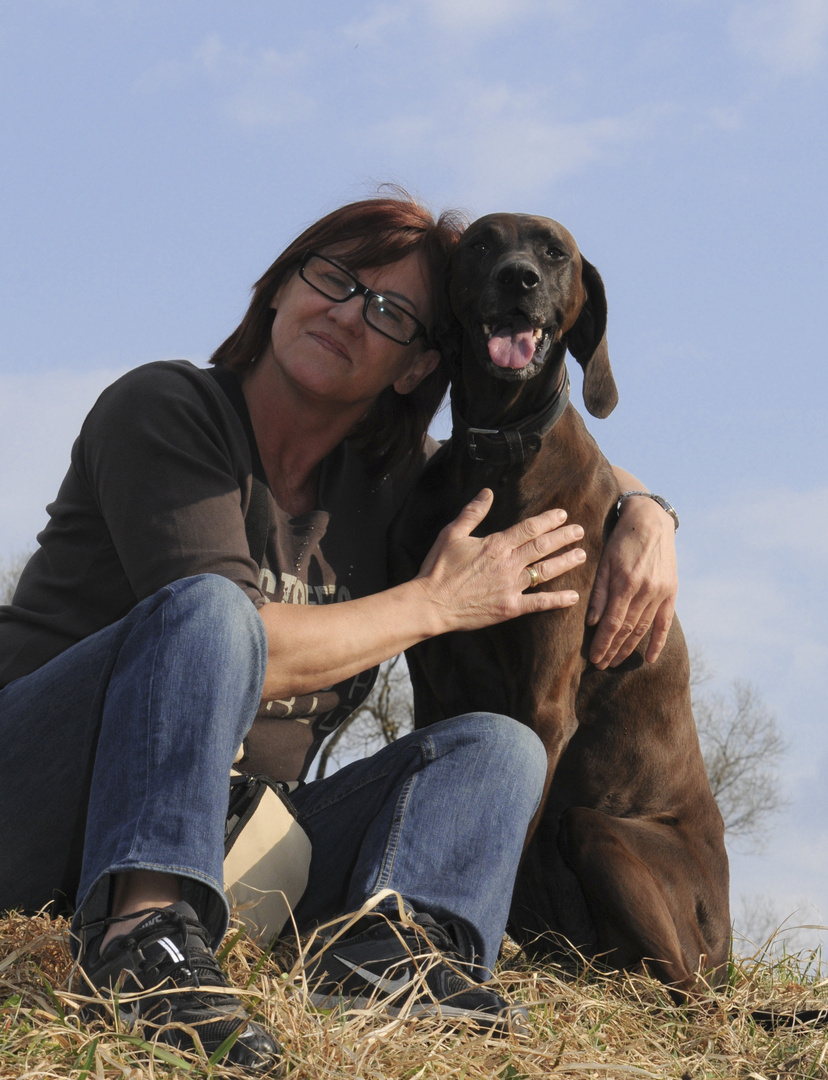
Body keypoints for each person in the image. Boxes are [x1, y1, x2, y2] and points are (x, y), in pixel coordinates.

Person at [0, 193, 678, 1070]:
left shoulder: (392, 490)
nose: (348, 310)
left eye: (390, 312)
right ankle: (144, 941)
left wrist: (648, 513)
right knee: (214, 614)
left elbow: (548, 450)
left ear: (415, 368)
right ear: (281, 288)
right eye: (335, 276)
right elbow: (249, 646)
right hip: (38, 791)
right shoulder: (167, 409)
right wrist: (435, 604)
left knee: (499, 746)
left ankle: (398, 956)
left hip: (235, 832)